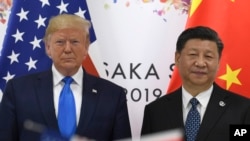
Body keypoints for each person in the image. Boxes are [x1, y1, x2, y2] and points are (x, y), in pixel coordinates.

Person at [0, 14, 131, 141]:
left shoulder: (113, 95)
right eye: (60, 42)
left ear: (86, 48)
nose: (67, 49)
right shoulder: (18, 91)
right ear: (48, 47)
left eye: (75, 42)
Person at [141, 26, 250, 141]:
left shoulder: (243, 110)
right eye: (193, 54)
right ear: (178, 58)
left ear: (218, 63)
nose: (200, 63)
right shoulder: (155, 111)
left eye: (208, 56)